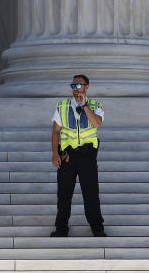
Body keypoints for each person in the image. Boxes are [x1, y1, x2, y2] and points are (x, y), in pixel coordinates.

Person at [50, 74, 106, 238]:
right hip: (68, 156)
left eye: (78, 85)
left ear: (86, 87)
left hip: (87, 156)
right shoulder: (62, 106)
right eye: (73, 86)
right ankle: (61, 228)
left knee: (91, 192)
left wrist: (85, 105)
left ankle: (97, 228)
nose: (75, 89)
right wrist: (55, 154)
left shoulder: (96, 105)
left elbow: (96, 124)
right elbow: (55, 132)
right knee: (64, 193)